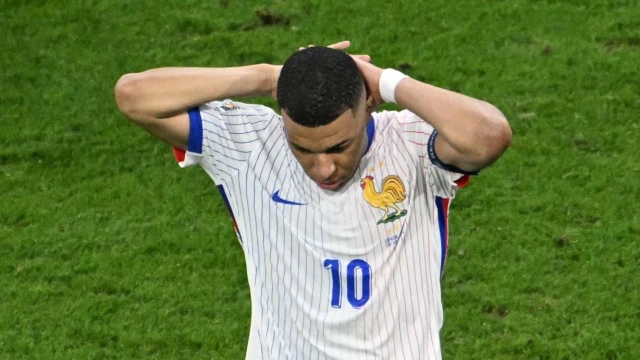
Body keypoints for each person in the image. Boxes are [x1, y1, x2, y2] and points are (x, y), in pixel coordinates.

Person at [114, 41, 511, 360]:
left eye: (340, 146)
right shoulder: (250, 143)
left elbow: (489, 135)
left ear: (368, 105)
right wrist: (268, 77)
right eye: (302, 148)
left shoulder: (411, 146)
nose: (323, 169)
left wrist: (384, 80)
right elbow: (134, 96)